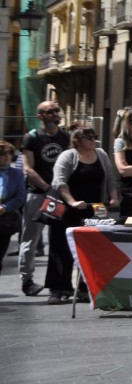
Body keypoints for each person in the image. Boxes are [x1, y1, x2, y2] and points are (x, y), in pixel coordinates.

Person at [47, 125, 121, 304]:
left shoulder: (101, 154)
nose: (92, 140)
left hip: (94, 208)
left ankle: (84, 287)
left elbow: (110, 178)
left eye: (94, 136)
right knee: (62, 248)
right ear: (77, 140)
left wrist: (113, 197)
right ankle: (58, 288)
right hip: (68, 209)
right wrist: (72, 201)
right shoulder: (68, 156)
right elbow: (59, 182)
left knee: (89, 248)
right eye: (88, 137)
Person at [18, 100, 69, 296]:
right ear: (40, 116)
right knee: (30, 239)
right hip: (37, 195)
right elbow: (28, 169)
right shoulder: (31, 138)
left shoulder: (65, 136)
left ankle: (59, 282)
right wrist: (49, 189)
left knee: (58, 240)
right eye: (51, 111)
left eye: (57, 110)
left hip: (58, 197)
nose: (56, 113)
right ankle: (27, 280)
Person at [0, 141, 26, 275]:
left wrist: (5, 207)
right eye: (3, 154)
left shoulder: (16, 174)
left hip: (5, 220)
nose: (7, 156)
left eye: (9, 153)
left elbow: (20, 196)